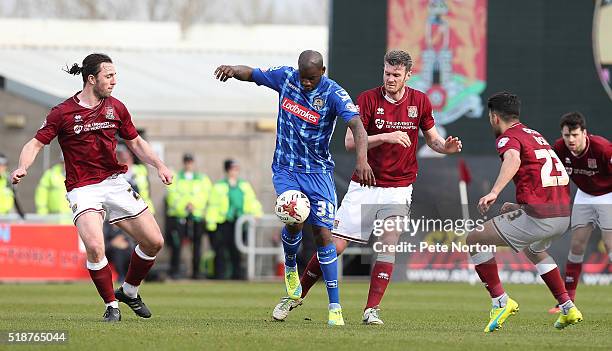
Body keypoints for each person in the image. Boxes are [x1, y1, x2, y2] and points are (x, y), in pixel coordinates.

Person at [272, 50, 463, 324]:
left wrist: (447, 148)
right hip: (365, 185)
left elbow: (433, 140)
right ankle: (296, 295)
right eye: (387, 73)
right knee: (334, 246)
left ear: (409, 75)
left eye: (396, 75)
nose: (390, 79)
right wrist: (386, 136)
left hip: (399, 187)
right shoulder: (368, 99)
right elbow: (350, 142)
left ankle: (371, 310)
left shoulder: (420, 102)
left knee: (388, 244)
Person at [214, 50, 374, 325]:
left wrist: (362, 161)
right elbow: (252, 74)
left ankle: (334, 306)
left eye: (311, 78)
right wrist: (232, 69)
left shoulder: (334, 93)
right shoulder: (286, 78)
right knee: (294, 216)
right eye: (303, 77)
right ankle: (290, 264)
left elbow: (357, 126)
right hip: (286, 169)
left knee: (325, 236)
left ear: (322, 72)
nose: (305, 83)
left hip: (319, 172)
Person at [10, 53, 173, 322]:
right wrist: (22, 167)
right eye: (109, 76)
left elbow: (135, 142)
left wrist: (159, 165)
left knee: (155, 242)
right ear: (91, 79)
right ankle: (111, 305)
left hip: (114, 182)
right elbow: (35, 144)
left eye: (115, 76)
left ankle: (130, 292)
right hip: (82, 188)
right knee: (96, 247)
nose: (114, 81)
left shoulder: (116, 108)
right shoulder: (62, 113)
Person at [464, 92, 582, 332]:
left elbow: (513, 160)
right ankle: (568, 307)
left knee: (475, 239)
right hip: (563, 215)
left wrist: (495, 191)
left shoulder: (508, 138)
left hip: (542, 217)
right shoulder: (534, 135)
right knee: (533, 249)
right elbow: (544, 179)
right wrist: (521, 206)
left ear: (494, 117)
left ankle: (501, 302)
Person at [547, 112, 611, 313]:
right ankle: (567, 302)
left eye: (575, 134)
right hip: (585, 195)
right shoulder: (558, 148)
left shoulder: (602, 148)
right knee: (576, 246)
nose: (571, 140)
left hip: (608, 194)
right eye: (567, 135)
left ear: (584, 133)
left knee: (610, 245)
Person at [206, 159, 263, 279]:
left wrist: (257, 214)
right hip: (223, 221)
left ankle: (236, 274)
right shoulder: (219, 186)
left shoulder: (244, 185)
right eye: (232, 169)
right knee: (221, 250)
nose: (235, 172)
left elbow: (252, 201)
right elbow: (213, 205)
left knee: (237, 249)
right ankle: (220, 274)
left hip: (240, 222)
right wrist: (211, 223)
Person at [166, 153, 212, 279]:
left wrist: (194, 205)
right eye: (186, 161)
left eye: (190, 161)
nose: (188, 164)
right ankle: (175, 270)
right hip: (180, 215)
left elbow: (205, 195)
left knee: (197, 245)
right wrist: (185, 206)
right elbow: (172, 195)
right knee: (177, 244)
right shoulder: (177, 177)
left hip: (196, 215)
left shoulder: (202, 178)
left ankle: (196, 271)